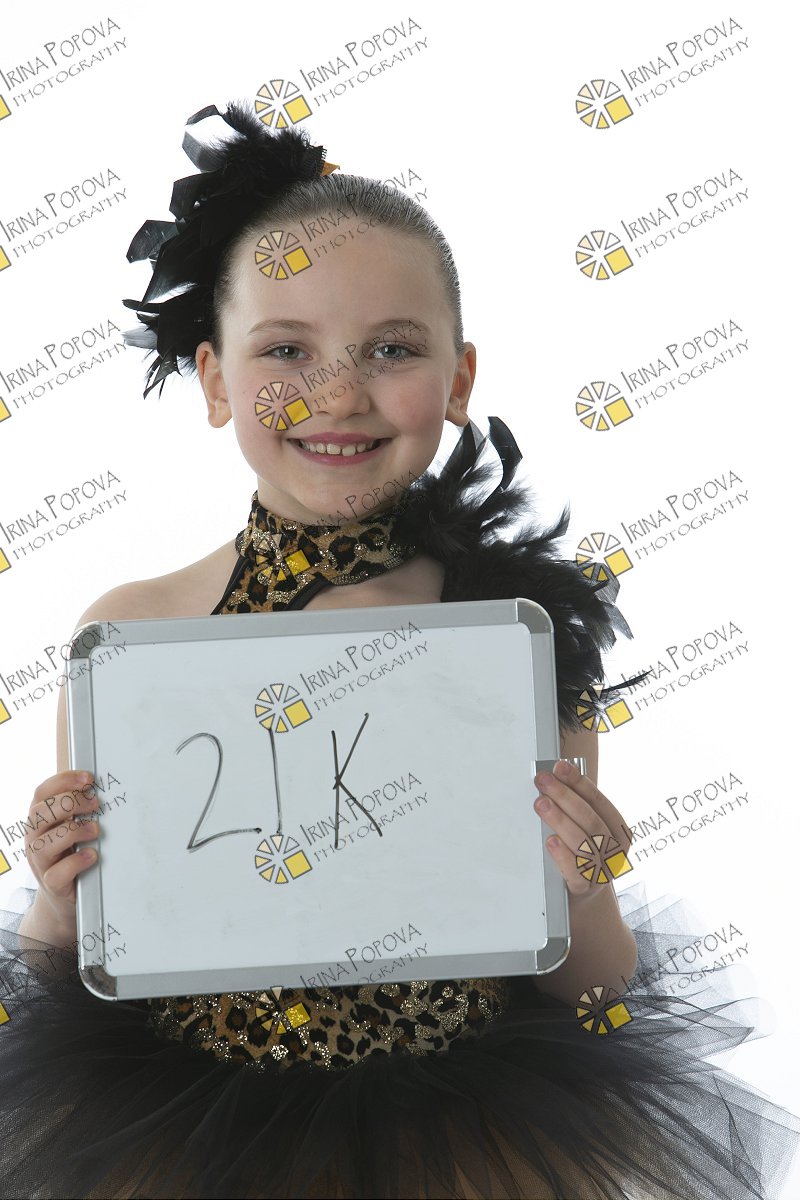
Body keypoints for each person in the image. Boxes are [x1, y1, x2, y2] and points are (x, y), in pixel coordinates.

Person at [0, 100, 797, 1200]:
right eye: (286, 350)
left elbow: (593, 994)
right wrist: (56, 896)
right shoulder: (132, 640)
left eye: (390, 350)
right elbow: (73, 966)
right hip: (188, 1141)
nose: (336, 393)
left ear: (458, 380)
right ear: (216, 380)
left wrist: (582, 890)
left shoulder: (513, 637)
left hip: (464, 1143)